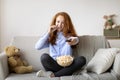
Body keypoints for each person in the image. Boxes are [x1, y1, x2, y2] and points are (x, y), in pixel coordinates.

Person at [35, 12, 86, 77]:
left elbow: (75, 40)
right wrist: (48, 33)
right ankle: (66, 72)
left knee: (82, 59)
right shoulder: (51, 36)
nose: (59, 25)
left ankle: (54, 75)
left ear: (67, 24)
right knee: (44, 57)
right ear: (54, 22)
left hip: (67, 64)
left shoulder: (69, 36)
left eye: (63, 23)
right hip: (54, 65)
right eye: (58, 22)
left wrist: (75, 40)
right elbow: (37, 47)